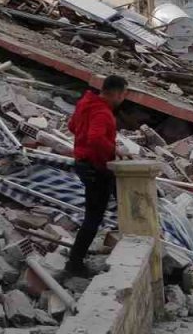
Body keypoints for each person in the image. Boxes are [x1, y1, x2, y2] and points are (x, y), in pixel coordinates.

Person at [65, 75, 127, 277]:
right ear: (116, 93)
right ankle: (74, 263)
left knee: (119, 198)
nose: (123, 99)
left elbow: (72, 126)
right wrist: (111, 152)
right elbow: (95, 139)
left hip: (85, 163)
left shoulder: (87, 103)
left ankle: (126, 238)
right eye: (123, 94)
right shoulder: (102, 112)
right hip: (95, 168)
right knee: (93, 218)